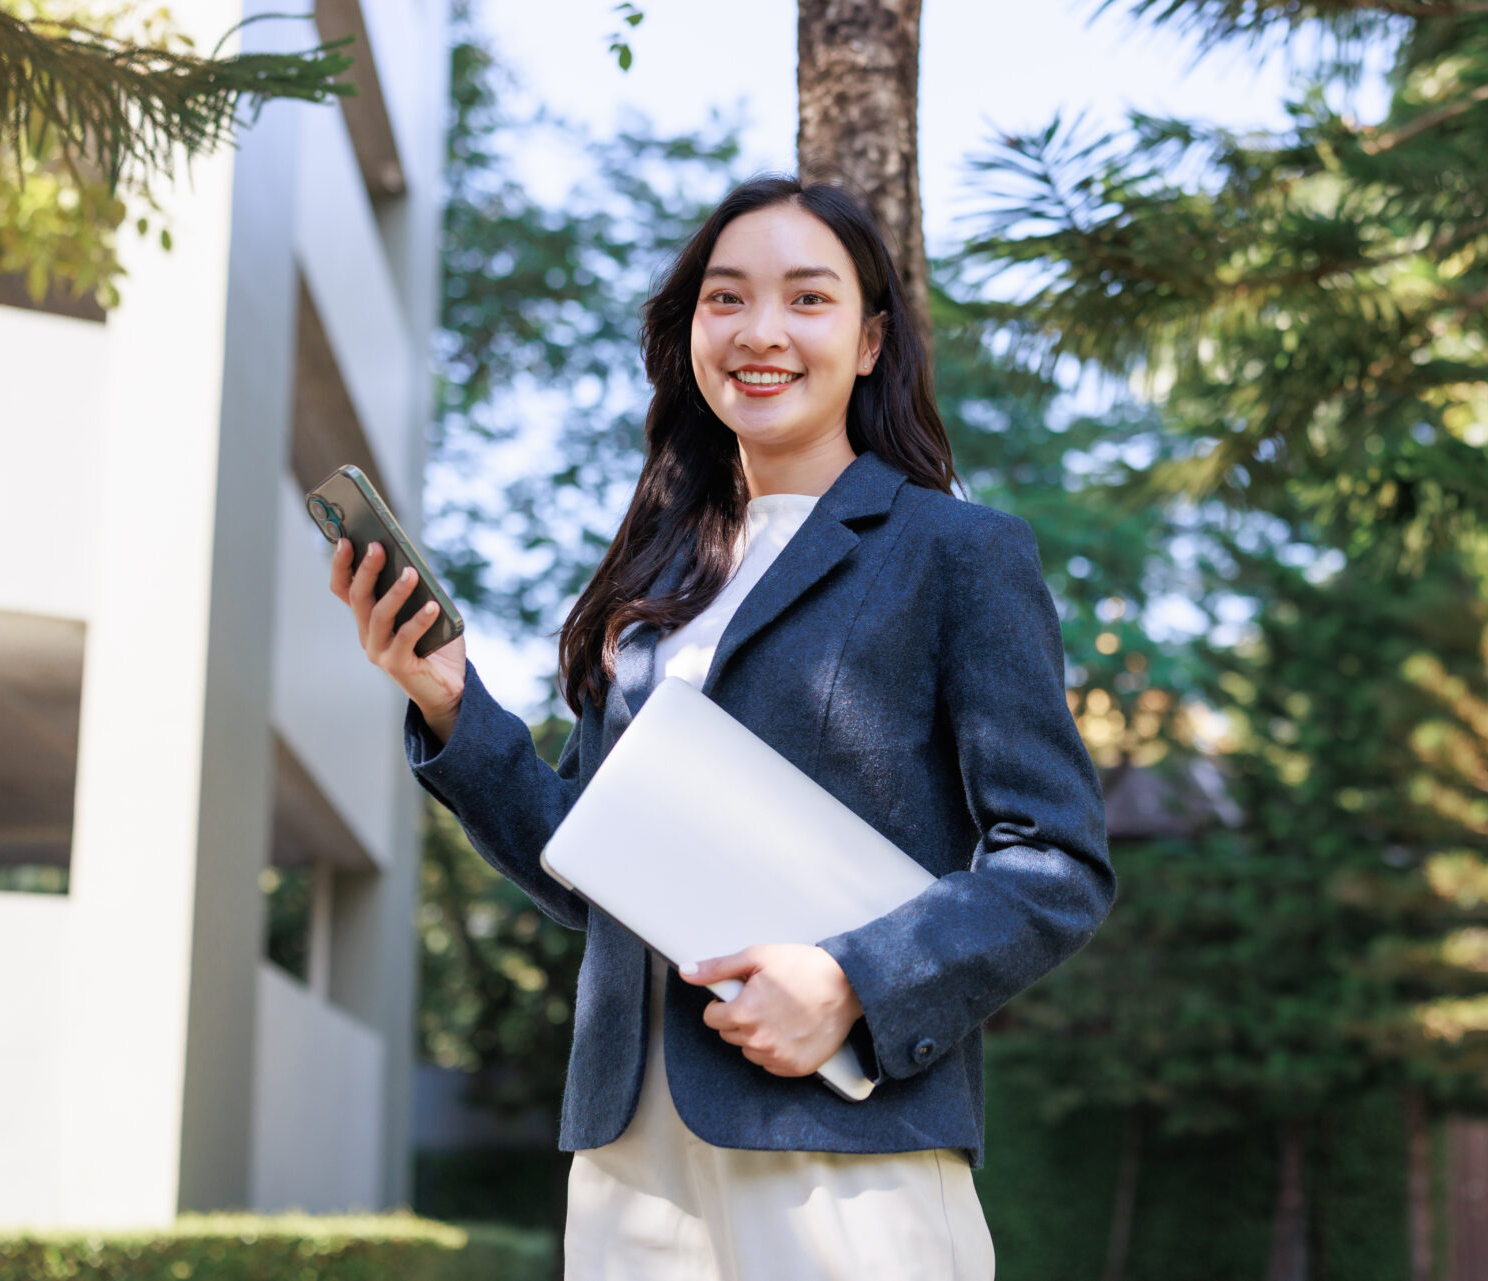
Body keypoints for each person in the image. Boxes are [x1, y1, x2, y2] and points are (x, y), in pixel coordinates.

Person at [328, 173, 1113, 1281]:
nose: (760, 332)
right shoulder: (656, 582)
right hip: (629, 1165)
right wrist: (452, 702)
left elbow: (1057, 863)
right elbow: (589, 869)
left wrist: (851, 983)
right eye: (726, 298)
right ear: (691, 330)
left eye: (807, 299)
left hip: (841, 1155)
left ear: (872, 339)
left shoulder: (956, 553)